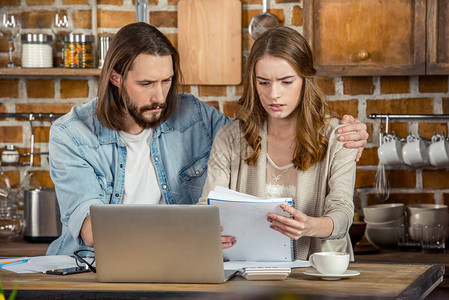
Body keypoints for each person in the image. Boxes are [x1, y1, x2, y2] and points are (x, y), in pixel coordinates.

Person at [47, 23, 367, 256]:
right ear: (116, 78)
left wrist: (349, 136)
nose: (161, 96)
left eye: (167, 80)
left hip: (181, 264)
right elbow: (93, 232)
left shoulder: (194, 116)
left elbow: (255, 135)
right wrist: (193, 231)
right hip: (93, 266)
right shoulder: (72, 134)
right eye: (146, 83)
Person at [200, 26, 358, 259]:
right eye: (263, 82)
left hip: (319, 274)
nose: (274, 94)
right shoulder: (230, 137)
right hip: (248, 274)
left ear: (305, 80)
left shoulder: (339, 137)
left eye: (286, 82)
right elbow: (208, 207)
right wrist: (207, 232)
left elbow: (342, 212)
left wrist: (311, 226)